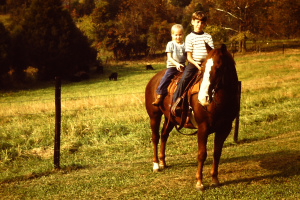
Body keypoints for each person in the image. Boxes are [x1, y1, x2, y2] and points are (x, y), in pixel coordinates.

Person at [172, 11, 214, 109]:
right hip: (193, 63)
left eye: (202, 22)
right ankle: (176, 102)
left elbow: (211, 53)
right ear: (192, 22)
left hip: (206, 63)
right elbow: (189, 57)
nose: (199, 24)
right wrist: (197, 64)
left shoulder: (208, 37)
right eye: (197, 22)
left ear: (204, 24)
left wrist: (206, 64)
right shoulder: (189, 37)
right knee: (184, 79)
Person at [152, 24, 186, 106]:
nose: (178, 37)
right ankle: (160, 95)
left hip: (182, 66)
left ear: (183, 34)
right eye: (176, 35)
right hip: (173, 66)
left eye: (180, 34)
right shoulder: (171, 44)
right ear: (172, 35)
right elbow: (169, 57)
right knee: (166, 78)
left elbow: (187, 56)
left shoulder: (185, 45)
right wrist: (177, 64)